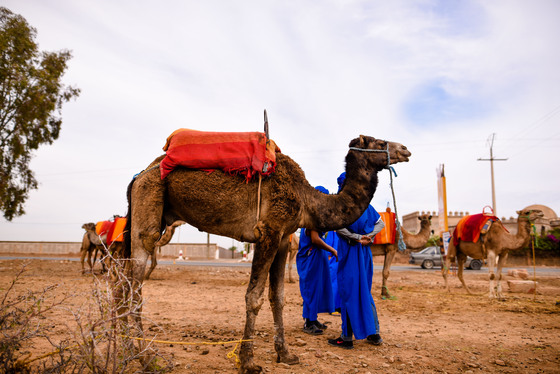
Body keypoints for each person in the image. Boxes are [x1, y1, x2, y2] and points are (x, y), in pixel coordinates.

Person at [328, 172, 385, 349]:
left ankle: (346, 338)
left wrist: (357, 237)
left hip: (350, 251)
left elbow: (338, 228)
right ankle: (373, 334)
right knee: (364, 292)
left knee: (348, 292)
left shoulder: (342, 205)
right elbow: (381, 223)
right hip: (365, 252)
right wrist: (368, 236)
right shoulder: (365, 203)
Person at [296, 186, 338, 335]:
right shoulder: (312, 216)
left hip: (317, 257)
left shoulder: (317, 214)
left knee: (318, 288)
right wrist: (332, 250)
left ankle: (313, 319)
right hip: (310, 256)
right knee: (311, 289)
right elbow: (315, 239)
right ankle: (308, 322)